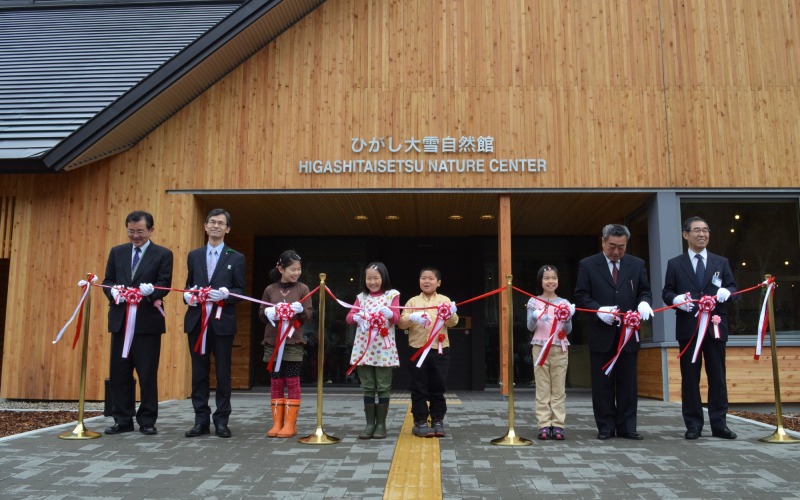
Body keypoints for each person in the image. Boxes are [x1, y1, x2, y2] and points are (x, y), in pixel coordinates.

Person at [574, 224, 653, 440]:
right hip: (602, 333)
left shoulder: (637, 265)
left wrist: (645, 302)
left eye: (621, 247)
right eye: (612, 246)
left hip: (628, 334)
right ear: (603, 242)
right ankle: (606, 426)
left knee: (628, 383)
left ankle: (627, 426)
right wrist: (598, 310)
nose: (616, 252)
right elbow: (581, 295)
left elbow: (644, 290)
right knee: (602, 385)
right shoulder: (588, 265)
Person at [662, 216, 738, 440]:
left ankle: (719, 424)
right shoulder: (675, 263)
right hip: (689, 328)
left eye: (705, 230)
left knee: (718, 377)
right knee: (690, 378)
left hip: (715, 328)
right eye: (696, 230)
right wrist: (677, 299)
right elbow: (667, 292)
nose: (702, 234)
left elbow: (732, 286)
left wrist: (728, 292)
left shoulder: (720, 262)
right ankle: (693, 424)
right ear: (686, 235)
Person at [102, 210, 173, 436]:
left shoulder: (163, 254)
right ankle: (122, 419)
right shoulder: (117, 252)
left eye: (140, 231)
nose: (135, 236)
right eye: (131, 231)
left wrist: (151, 292)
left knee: (147, 373)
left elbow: (164, 284)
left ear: (151, 230)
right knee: (119, 373)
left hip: (147, 324)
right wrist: (112, 291)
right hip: (121, 322)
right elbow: (107, 281)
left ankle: (147, 420)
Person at [182, 209, 246, 439]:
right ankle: (200, 420)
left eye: (221, 223)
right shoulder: (194, 255)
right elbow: (188, 285)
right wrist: (187, 297)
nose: (216, 226)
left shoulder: (236, 257)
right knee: (198, 373)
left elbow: (241, 291)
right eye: (212, 222)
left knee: (222, 373)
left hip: (221, 322)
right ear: (205, 226)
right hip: (197, 321)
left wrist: (227, 296)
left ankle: (222, 420)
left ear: (227, 228)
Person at [398, 267, 458, 438]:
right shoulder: (412, 302)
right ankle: (420, 422)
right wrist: (411, 318)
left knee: (438, 387)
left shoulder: (444, 300)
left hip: (440, 350)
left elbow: (453, 323)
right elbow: (401, 323)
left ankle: (438, 420)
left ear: (438, 282)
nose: (426, 281)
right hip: (417, 350)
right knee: (419, 387)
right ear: (419, 281)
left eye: (431, 278)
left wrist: (451, 314)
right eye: (423, 278)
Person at [259, 250, 312, 438]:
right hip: (273, 341)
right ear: (281, 268)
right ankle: (277, 423)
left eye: (299, 269)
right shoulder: (270, 290)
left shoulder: (302, 289)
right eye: (292, 269)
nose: (296, 273)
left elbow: (308, 314)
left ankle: (290, 424)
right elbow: (261, 313)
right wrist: (268, 313)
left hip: (292, 342)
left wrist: (299, 311)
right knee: (276, 380)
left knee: (292, 380)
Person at [345, 262, 400, 439]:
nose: (372, 281)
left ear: (383, 278)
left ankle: (381, 425)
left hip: (384, 348)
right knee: (368, 387)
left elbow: (397, 319)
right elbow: (349, 318)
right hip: (364, 348)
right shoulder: (361, 297)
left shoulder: (393, 295)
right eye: (369, 278)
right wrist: (356, 316)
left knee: (383, 386)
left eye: (376, 278)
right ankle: (369, 424)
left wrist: (390, 314)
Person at [526, 265, 575, 441]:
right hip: (539, 348)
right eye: (546, 278)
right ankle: (544, 425)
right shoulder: (533, 301)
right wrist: (534, 316)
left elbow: (568, 330)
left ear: (558, 281)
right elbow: (530, 327)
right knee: (542, 388)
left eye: (553, 278)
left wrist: (568, 318)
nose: (550, 281)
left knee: (559, 389)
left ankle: (558, 425)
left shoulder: (565, 303)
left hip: (559, 348)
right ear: (541, 281)